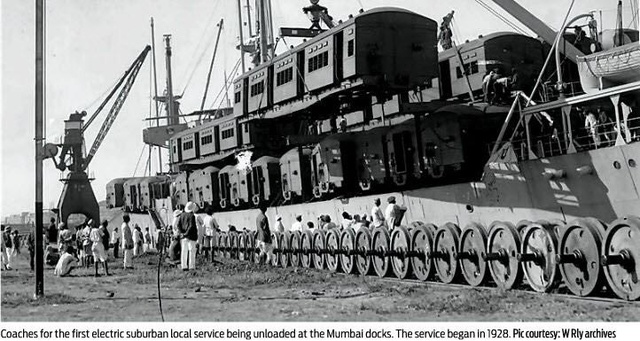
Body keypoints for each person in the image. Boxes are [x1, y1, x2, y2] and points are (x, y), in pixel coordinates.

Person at [177, 201, 199, 271]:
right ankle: (191, 266)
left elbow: (178, 225)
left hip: (183, 237)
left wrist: (182, 233)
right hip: (191, 236)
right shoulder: (192, 216)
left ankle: (184, 266)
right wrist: (186, 233)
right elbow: (191, 226)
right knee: (192, 251)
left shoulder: (182, 215)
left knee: (184, 251)